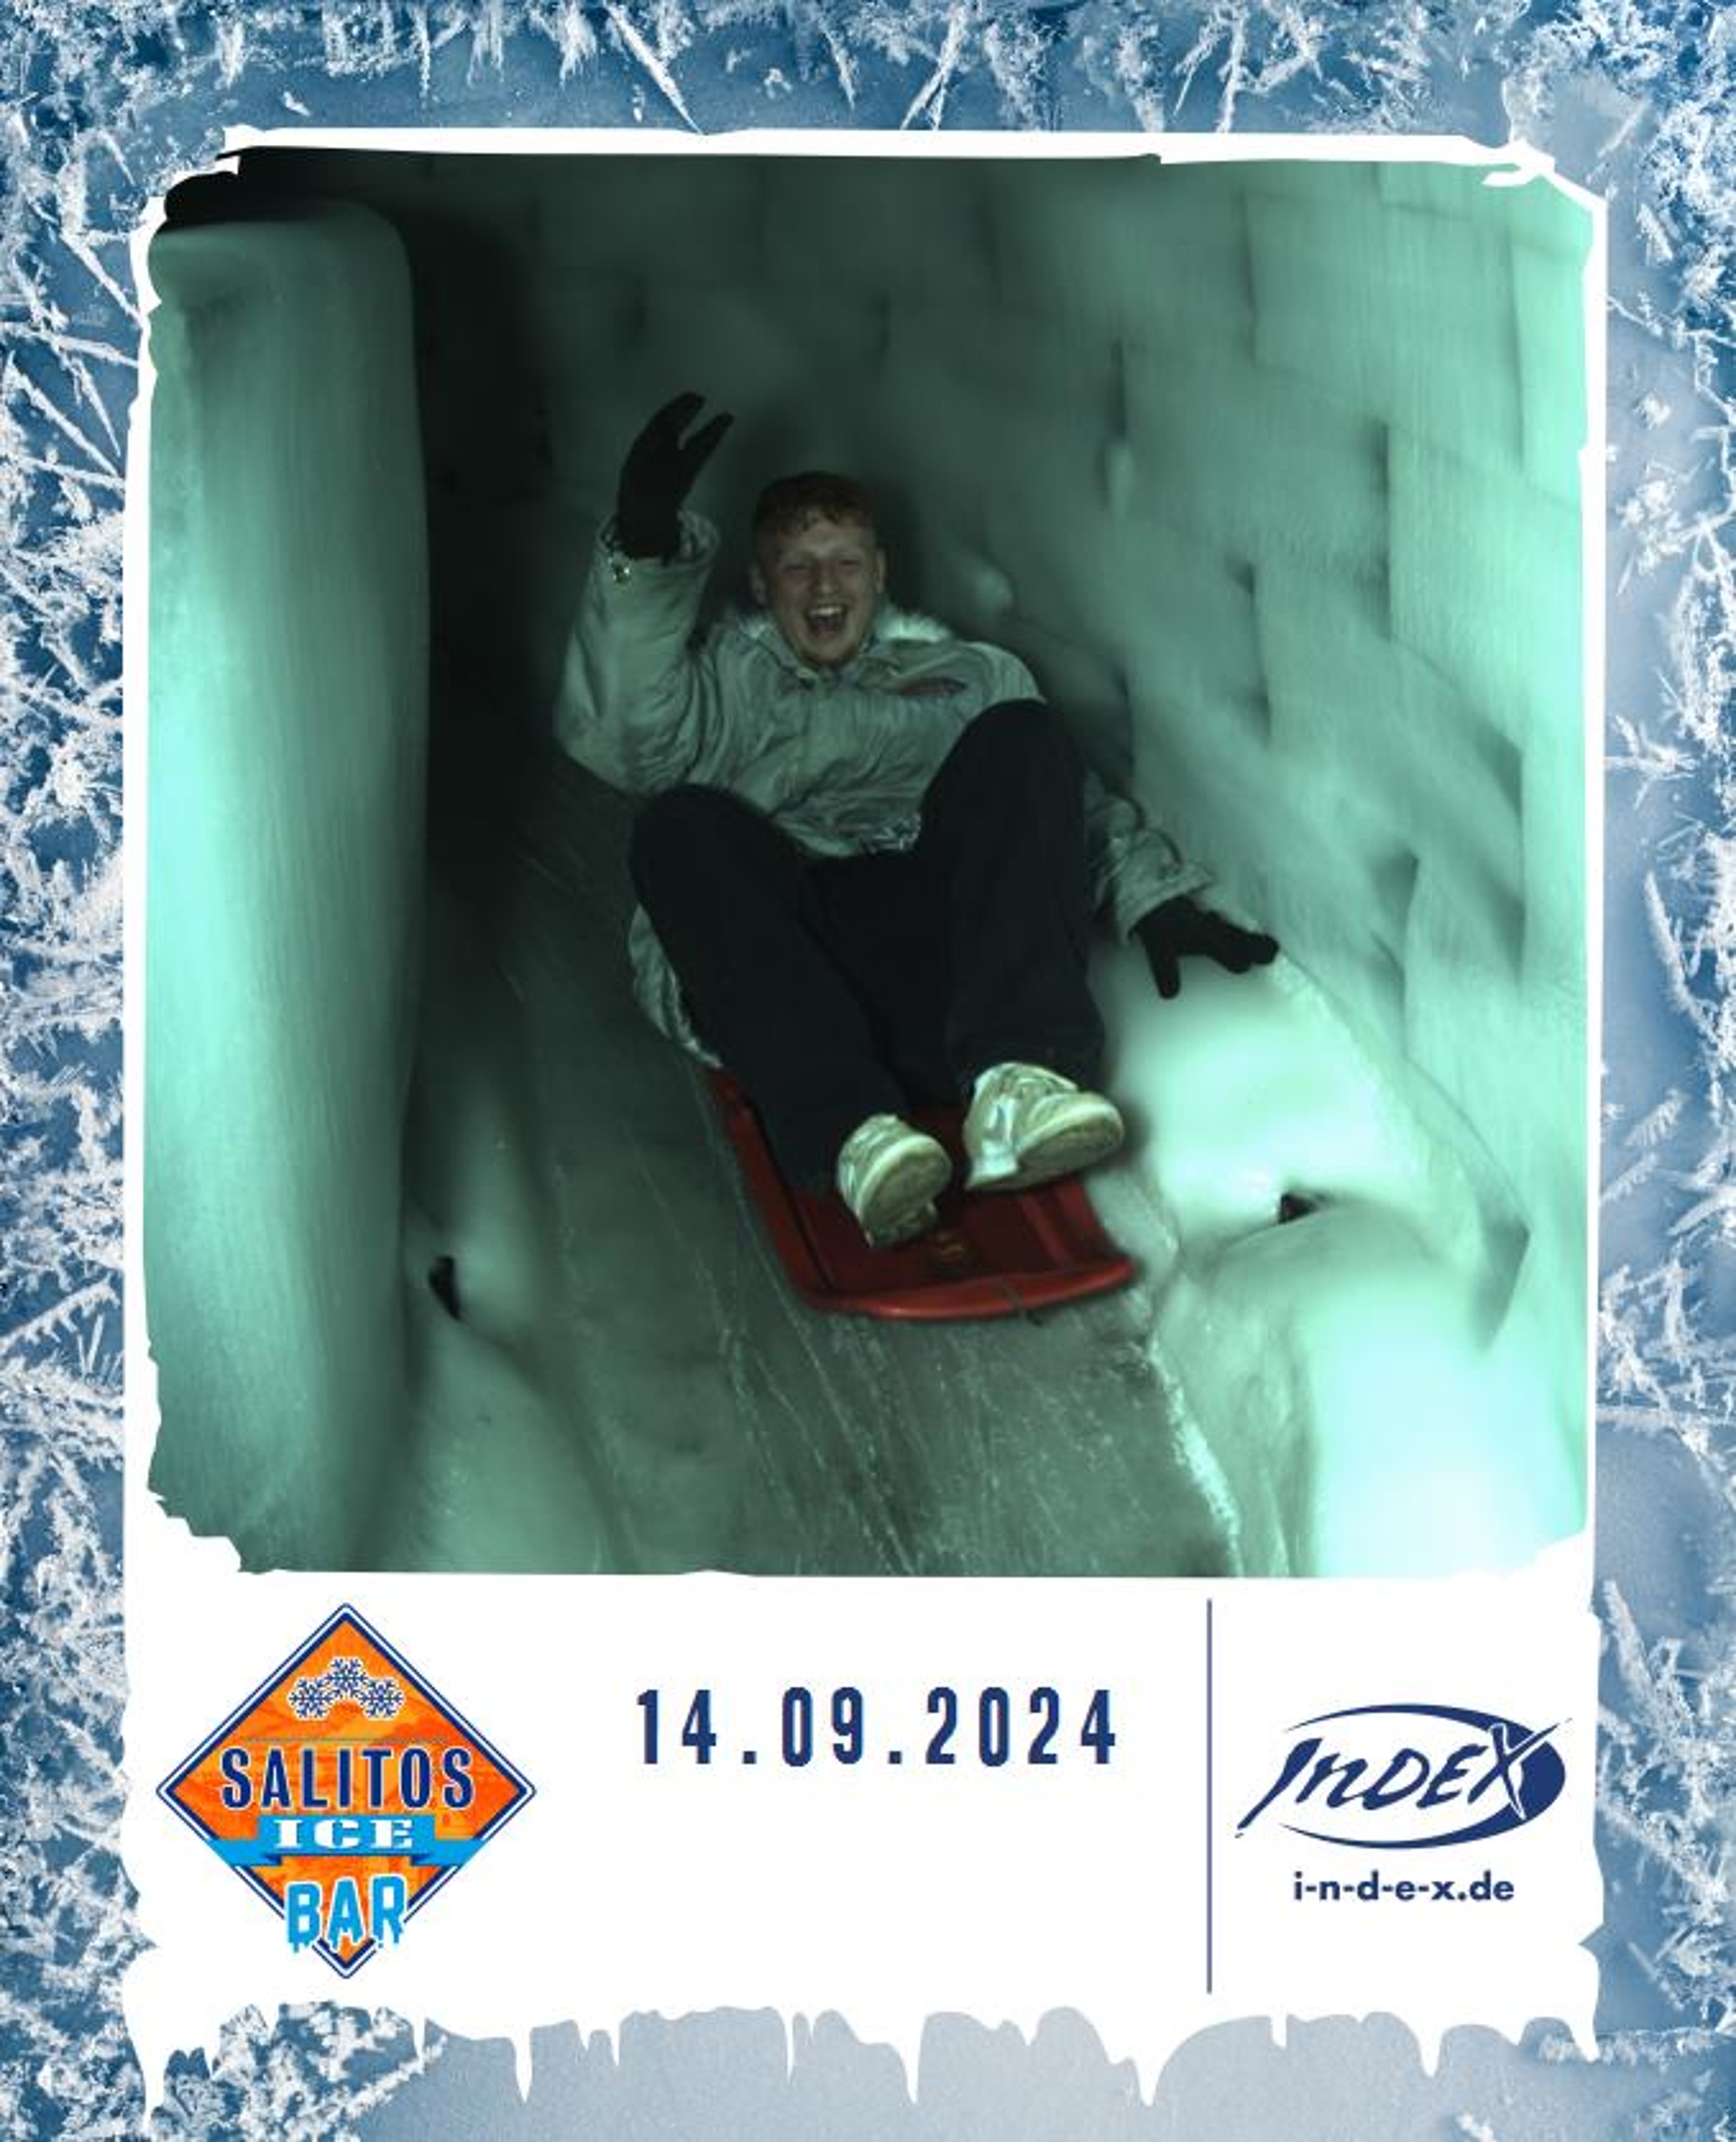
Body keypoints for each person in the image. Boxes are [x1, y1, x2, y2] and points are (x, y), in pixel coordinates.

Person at [553, 393, 1278, 1247]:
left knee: (1021, 732)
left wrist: (1153, 898)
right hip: (789, 976)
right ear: (760, 584)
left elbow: (1058, 809)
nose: (824, 585)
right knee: (676, 825)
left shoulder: (968, 675)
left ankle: (1016, 1087)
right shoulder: (717, 684)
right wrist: (642, 555)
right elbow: (616, 740)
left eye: (844, 562)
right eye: (796, 566)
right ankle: (853, 1136)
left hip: (945, 977)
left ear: (879, 572)